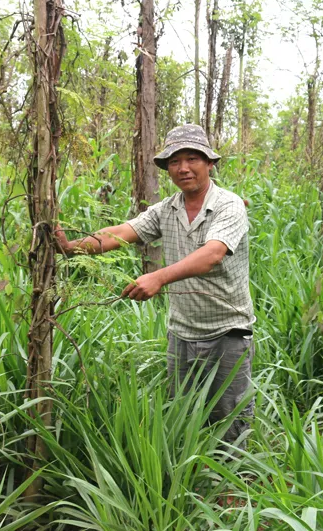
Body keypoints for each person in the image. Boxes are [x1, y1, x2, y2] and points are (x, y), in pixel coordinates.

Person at [55, 124, 255, 444]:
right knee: (184, 415)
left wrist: (159, 277)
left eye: (192, 159)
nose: (183, 168)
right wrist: (71, 247)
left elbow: (213, 254)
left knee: (230, 419)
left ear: (209, 163)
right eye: (175, 162)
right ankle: (191, 479)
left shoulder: (228, 204)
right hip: (182, 333)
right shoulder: (167, 209)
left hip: (227, 332)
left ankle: (233, 488)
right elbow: (121, 233)